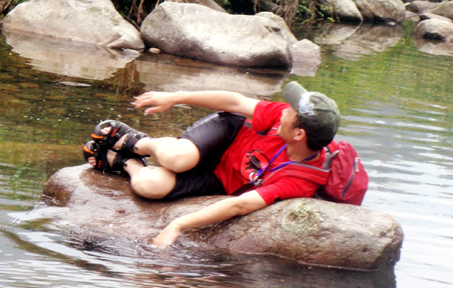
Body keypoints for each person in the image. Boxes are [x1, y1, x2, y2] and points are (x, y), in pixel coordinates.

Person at [82, 82, 341, 247]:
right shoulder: (282, 116)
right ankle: (141, 143)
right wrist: (176, 97)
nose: (284, 110)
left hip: (223, 180)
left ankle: (127, 163)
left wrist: (178, 225)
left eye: (290, 112)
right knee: (176, 159)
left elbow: (240, 204)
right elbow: (235, 102)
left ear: (299, 134)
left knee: (149, 185)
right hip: (227, 137)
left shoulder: (301, 180)